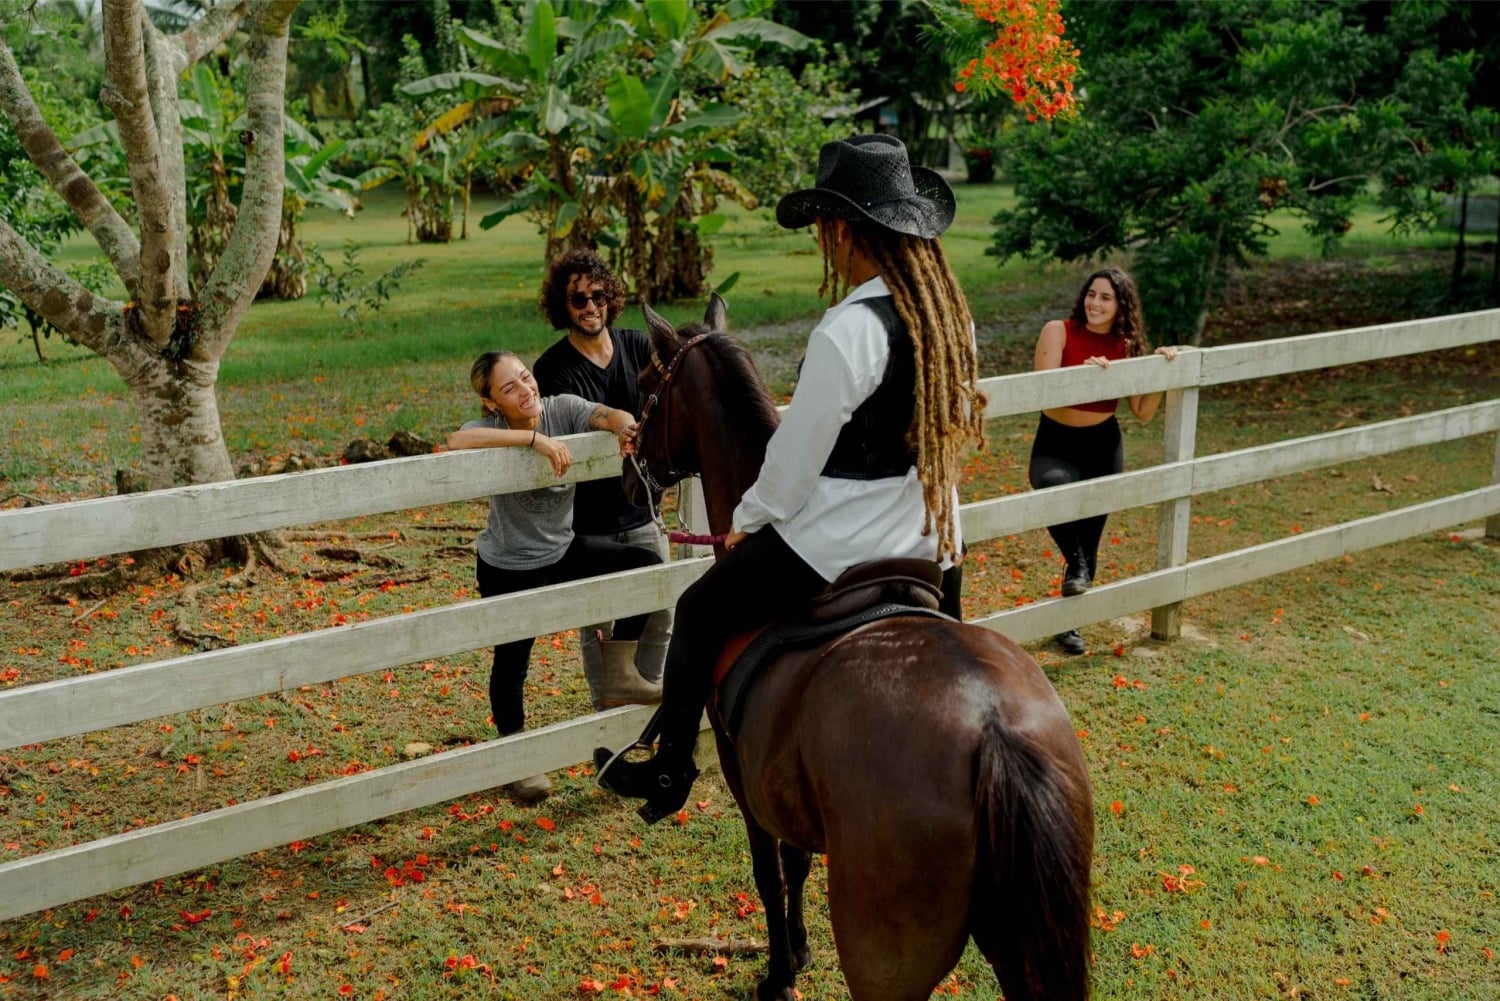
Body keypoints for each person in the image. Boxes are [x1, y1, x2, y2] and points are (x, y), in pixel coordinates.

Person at [594, 134, 987, 823]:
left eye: (821, 232)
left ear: (840, 230)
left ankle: (668, 768)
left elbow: (797, 459)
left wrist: (749, 519)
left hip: (836, 545)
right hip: (930, 536)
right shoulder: (949, 316)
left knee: (699, 610)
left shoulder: (847, 330)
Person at [448, 350, 661, 802]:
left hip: (563, 549)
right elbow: (456, 442)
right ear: (490, 402)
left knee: (646, 569)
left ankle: (621, 672)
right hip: (509, 565)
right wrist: (533, 442)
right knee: (512, 661)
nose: (526, 390)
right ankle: (518, 761)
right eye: (510, 388)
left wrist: (622, 424)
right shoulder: (494, 429)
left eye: (526, 378)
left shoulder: (559, 407)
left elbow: (603, 413)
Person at [532, 250, 671, 709]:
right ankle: (607, 707)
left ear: (610, 297)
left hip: (642, 507)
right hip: (588, 518)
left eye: (597, 295)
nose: (590, 306)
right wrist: (612, 422)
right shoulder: (551, 369)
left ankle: (646, 698)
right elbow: (573, 419)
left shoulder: (638, 347)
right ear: (562, 306)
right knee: (600, 623)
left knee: (660, 609)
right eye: (577, 299)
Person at [1029, 267, 1177, 655]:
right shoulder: (1057, 331)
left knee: (1091, 536)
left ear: (1120, 305)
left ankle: (1069, 624)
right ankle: (1074, 564)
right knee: (1051, 492)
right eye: (1091, 294)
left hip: (1102, 445)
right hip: (1056, 441)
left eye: (1105, 297)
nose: (1095, 303)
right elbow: (1039, 392)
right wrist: (1082, 376)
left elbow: (1143, 411)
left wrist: (1163, 370)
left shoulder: (1126, 344)